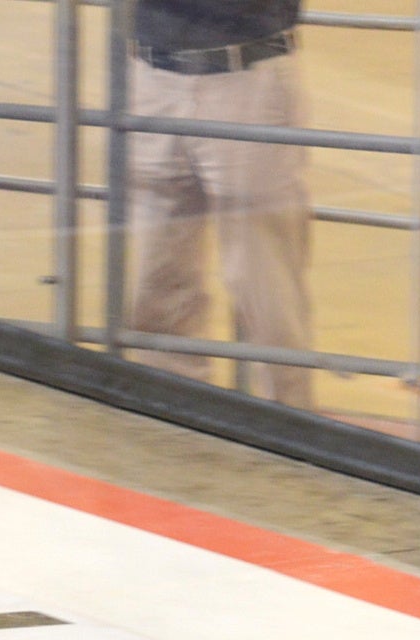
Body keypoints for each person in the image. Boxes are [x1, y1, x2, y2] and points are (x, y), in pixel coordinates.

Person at [125, 0, 315, 407]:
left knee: (263, 278)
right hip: (153, 73)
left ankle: (289, 421)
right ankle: (170, 409)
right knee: (157, 271)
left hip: (246, 77)